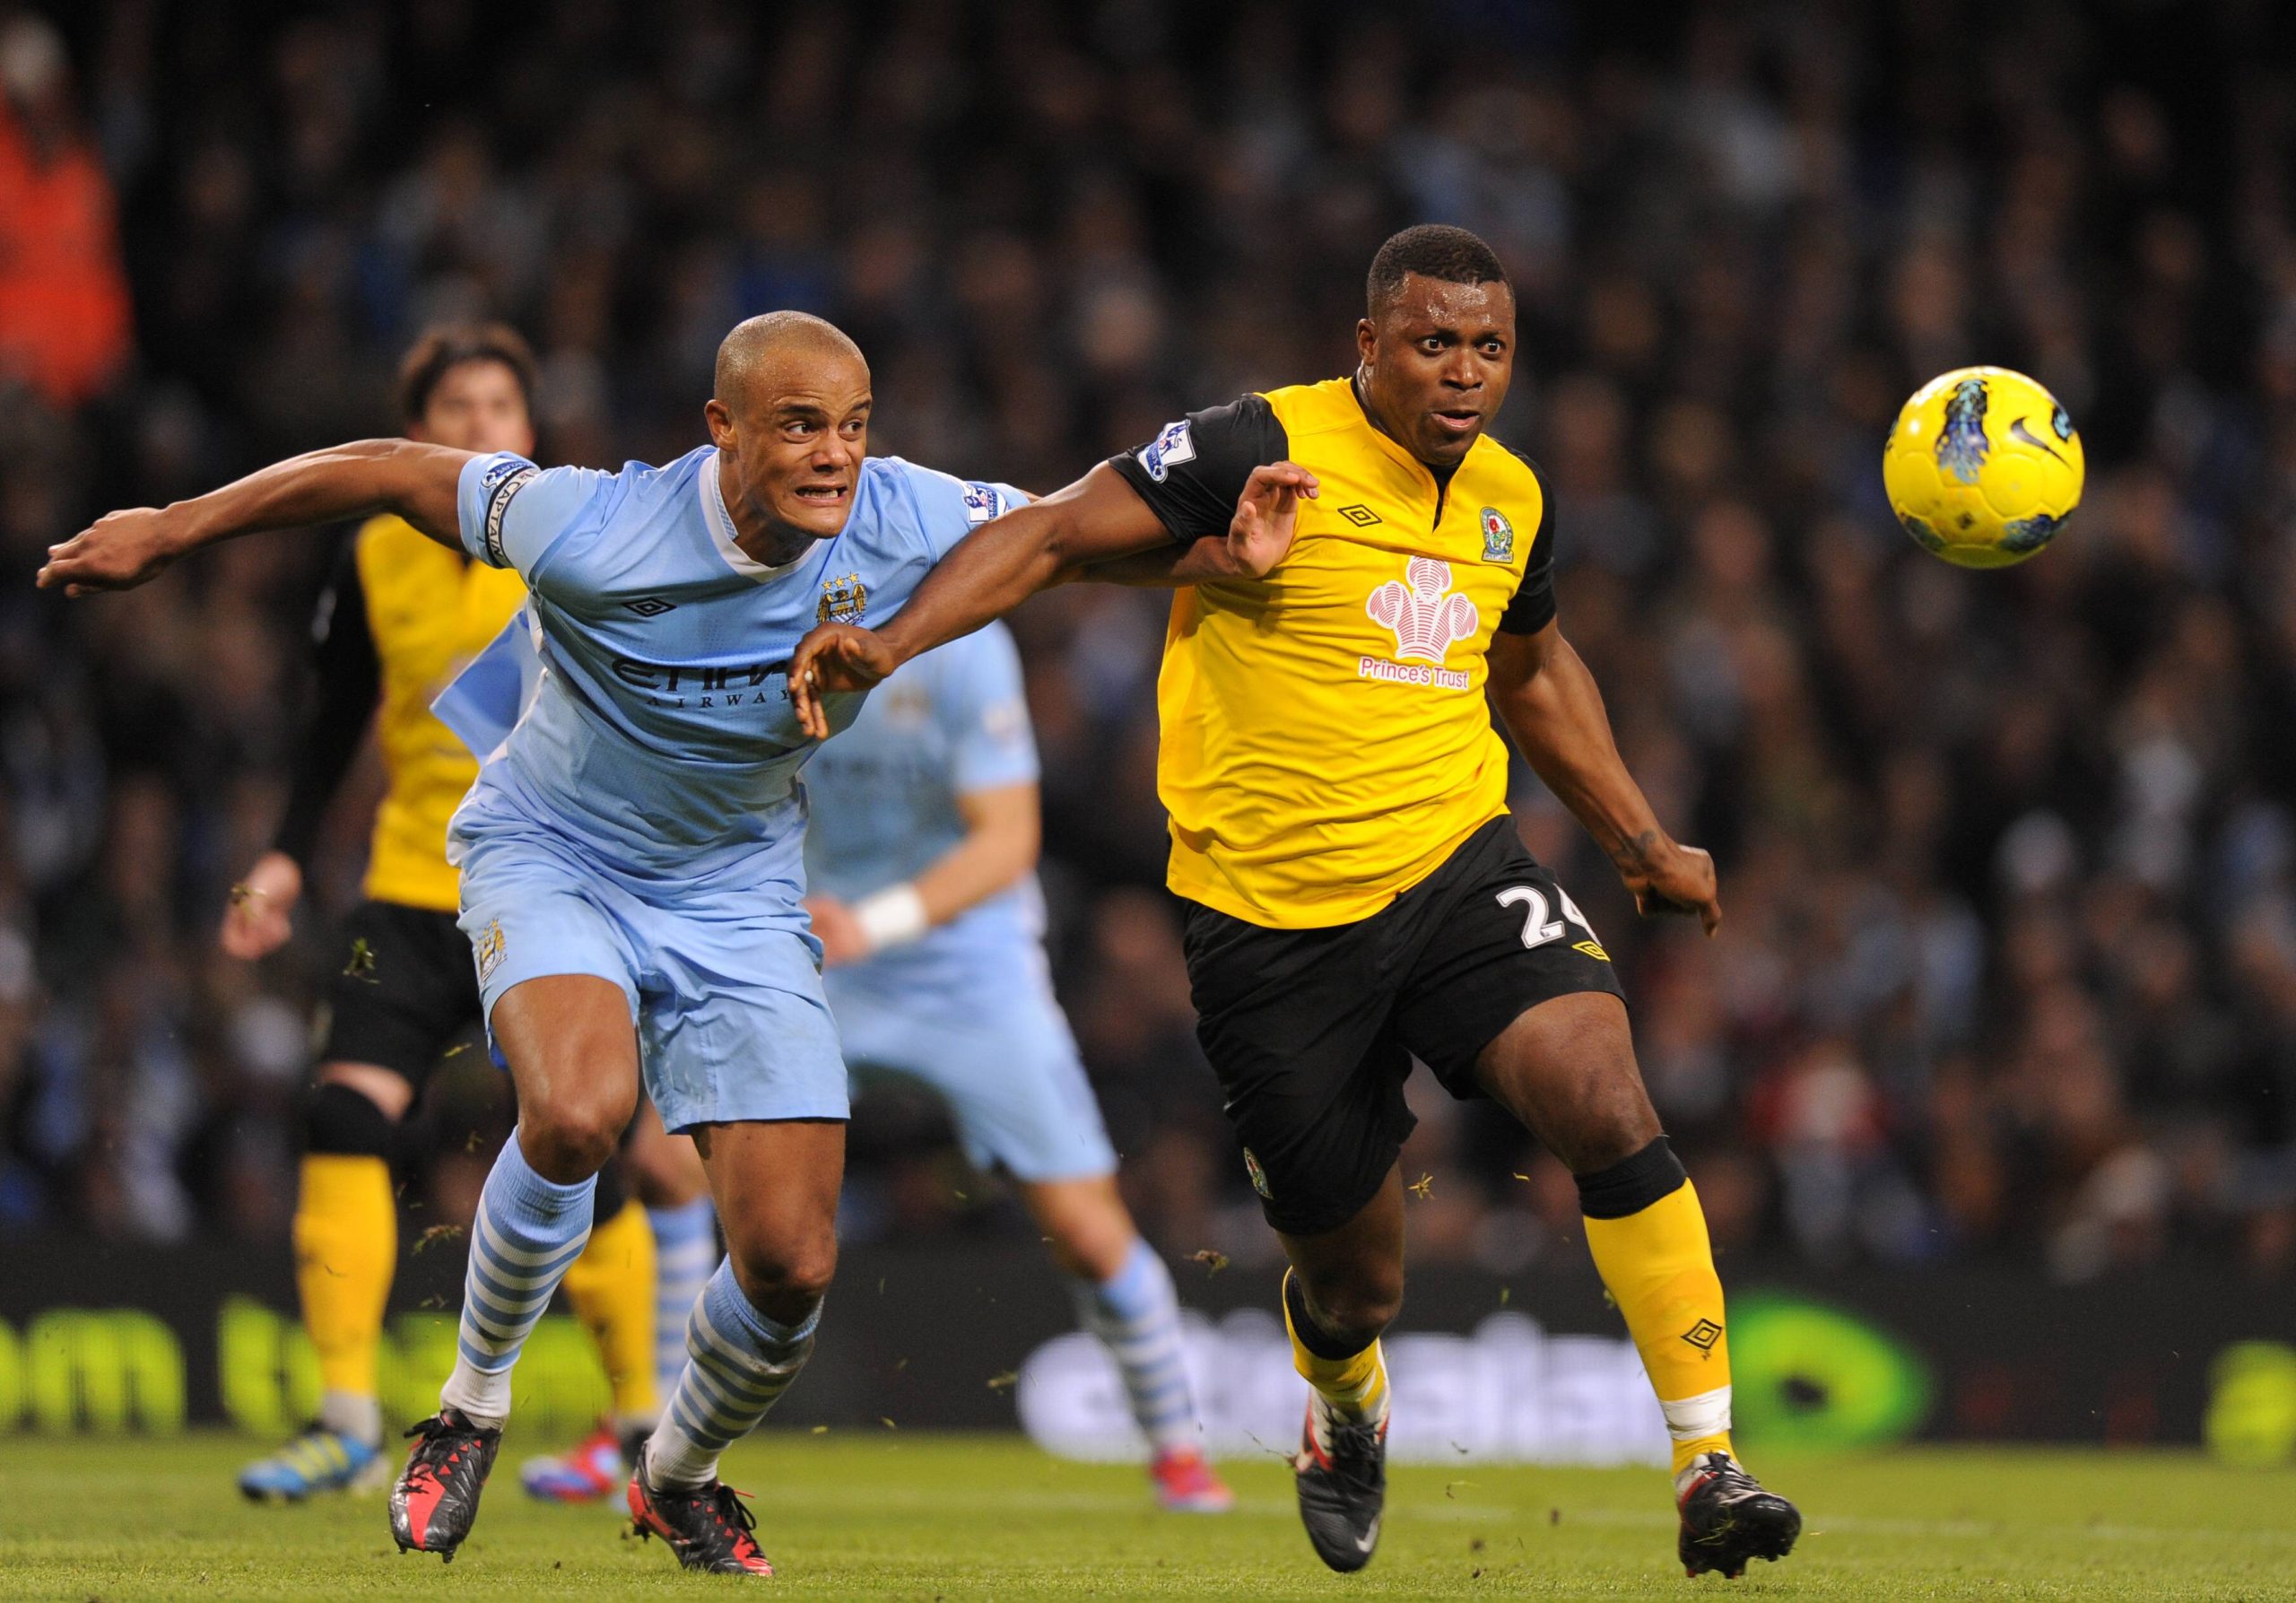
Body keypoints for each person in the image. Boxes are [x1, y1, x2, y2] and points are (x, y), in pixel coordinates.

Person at [787, 225, 1802, 1580]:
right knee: (1353, 1281)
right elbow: (1049, 535)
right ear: (1368, 344)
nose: (1464, 372)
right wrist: (893, 643)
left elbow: (1535, 671)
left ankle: (1707, 1461)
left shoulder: (1511, 498)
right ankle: (1345, 1405)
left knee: (1604, 1088)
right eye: (1434, 342)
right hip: (1270, 926)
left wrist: (1639, 838)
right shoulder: (1254, 447)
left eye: (1489, 346)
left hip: (1456, 867)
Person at [39, 311, 1038, 1577]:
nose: (836, 454)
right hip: (545, 848)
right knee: (570, 1110)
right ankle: (462, 1408)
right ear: (721, 428)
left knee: (789, 1260)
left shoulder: (904, 511)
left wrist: (1226, 551)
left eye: (851, 424)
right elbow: (380, 468)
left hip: (734, 889)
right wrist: (173, 528)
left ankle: (676, 1470)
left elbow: (1069, 525)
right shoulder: (585, 518)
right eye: (799, 424)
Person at [221, 325, 712, 1505]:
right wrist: (286, 855)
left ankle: (635, 1417)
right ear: (416, 435)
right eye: (457, 406)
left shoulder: (570, 541)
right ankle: (343, 1416)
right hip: (409, 880)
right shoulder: (373, 556)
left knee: (579, 1137)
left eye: (501, 404)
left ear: (529, 430)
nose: (482, 424)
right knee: (343, 1109)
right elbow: (334, 718)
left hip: (557, 887)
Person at [801, 622, 1231, 1513]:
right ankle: (642, 1432)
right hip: (811, 955)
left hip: (967, 967)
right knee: (671, 1164)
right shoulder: (761, 623)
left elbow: (1005, 841)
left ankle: (1177, 1448)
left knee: (1084, 1227)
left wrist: (869, 924)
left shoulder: (964, 646)